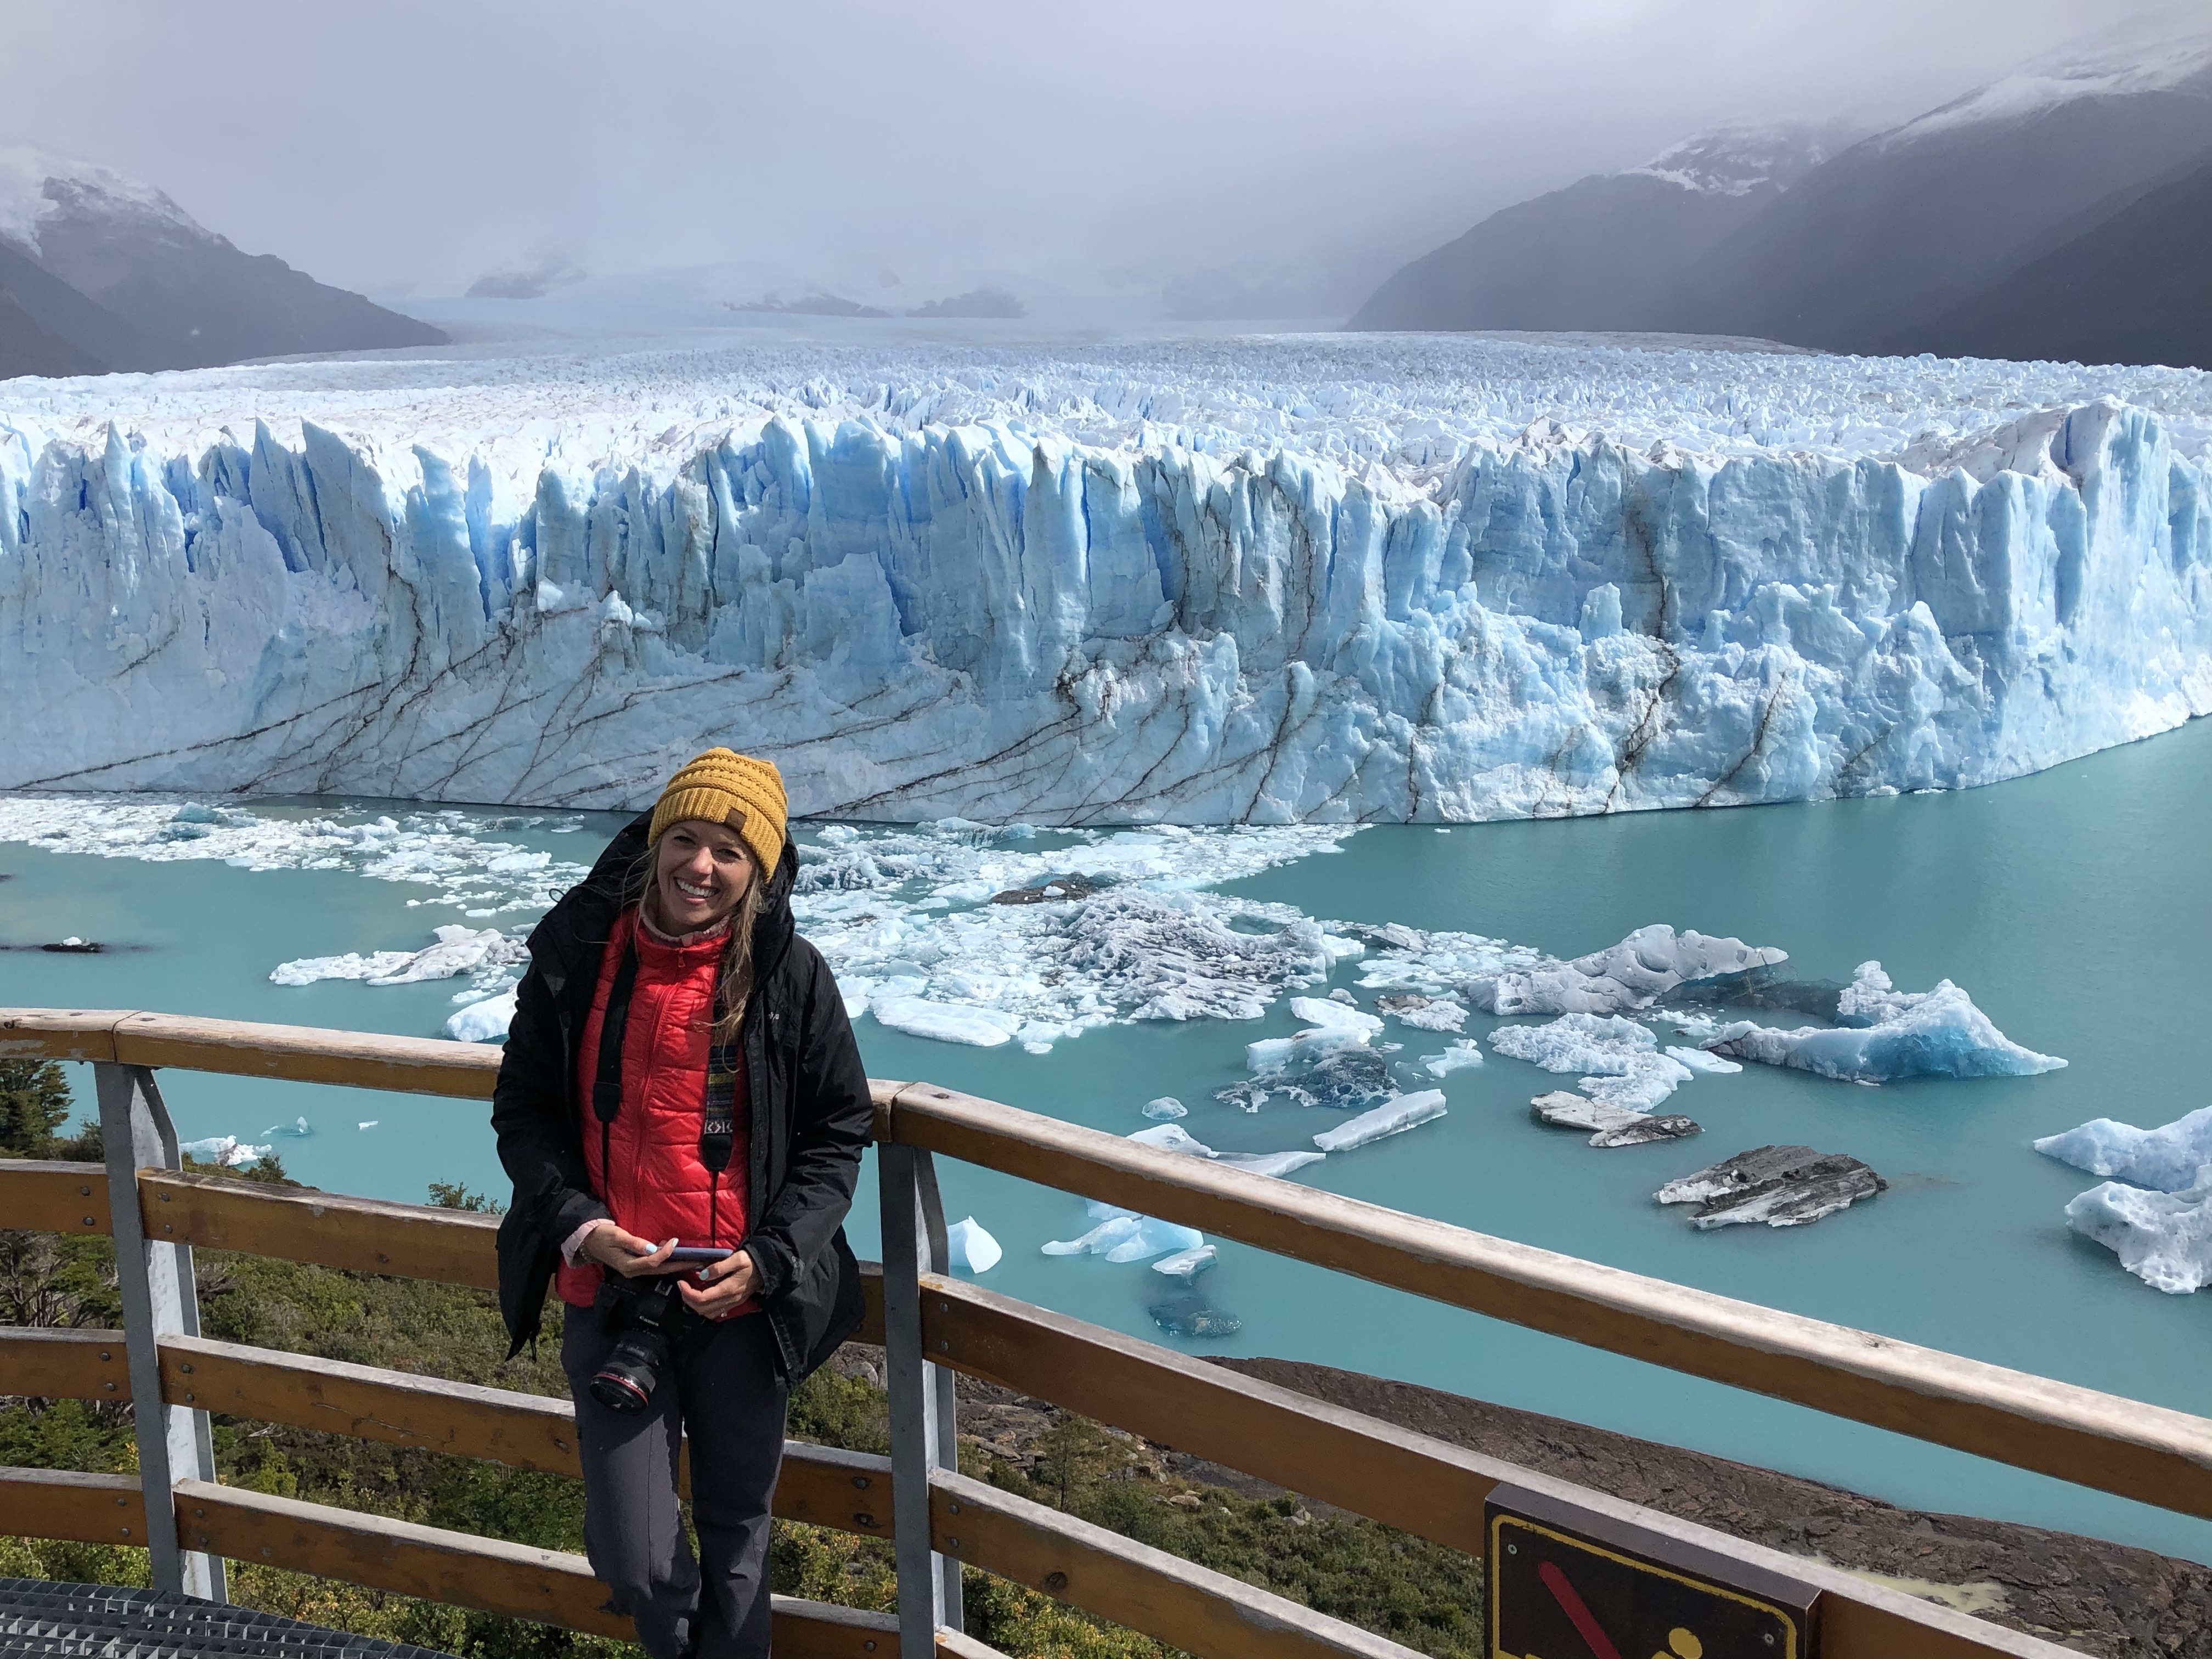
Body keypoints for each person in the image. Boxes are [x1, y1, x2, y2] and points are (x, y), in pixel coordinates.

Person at [491, 748, 871, 1659]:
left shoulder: (791, 975)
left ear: (763, 871)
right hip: (613, 1291)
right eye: (687, 839)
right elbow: (525, 1108)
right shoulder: (578, 952)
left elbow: (837, 1129)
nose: (702, 866)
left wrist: (773, 1259)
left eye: (731, 852)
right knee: (633, 1558)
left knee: (740, 1531)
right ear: (657, 840)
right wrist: (579, 1224)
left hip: (741, 1300)